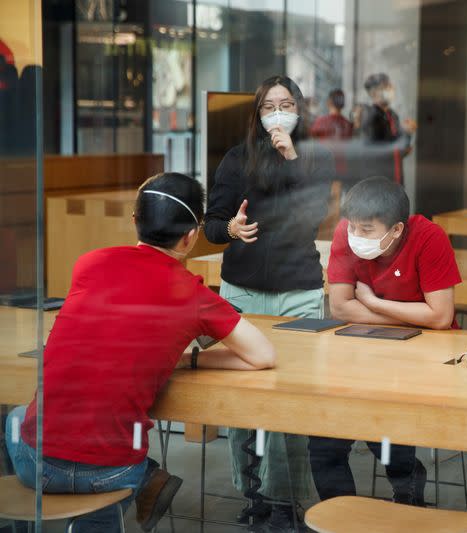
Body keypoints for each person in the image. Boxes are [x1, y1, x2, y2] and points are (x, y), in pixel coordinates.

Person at [4, 173, 276, 533]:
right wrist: (190, 358)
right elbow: (263, 355)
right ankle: (129, 494)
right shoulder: (193, 295)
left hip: (37, 462)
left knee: (16, 418)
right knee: (105, 468)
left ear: (135, 221)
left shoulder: (89, 264)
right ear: (192, 236)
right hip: (114, 469)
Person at [203, 75, 334, 531]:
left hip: (297, 290)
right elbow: (212, 224)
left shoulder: (316, 158)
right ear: (257, 115)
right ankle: (252, 490)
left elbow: (314, 212)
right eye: (269, 106)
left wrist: (291, 157)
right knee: (242, 399)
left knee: (290, 401)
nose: (278, 113)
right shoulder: (237, 159)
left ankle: (285, 499)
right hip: (243, 290)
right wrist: (231, 231)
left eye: (286, 104)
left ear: (300, 109)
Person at [307, 176, 462, 505]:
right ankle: (341, 518)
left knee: (387, 431)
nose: (355, 237)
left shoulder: (429, 237)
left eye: (366, 231)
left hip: (423, 355)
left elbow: (440, 318)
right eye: (352, 228)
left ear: (397, 230)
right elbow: (340, 307)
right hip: (359, 348)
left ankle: (407, 495)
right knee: (323, 444)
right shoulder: (345, 234)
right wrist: (411, 314)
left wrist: (373, 304)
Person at [359, 73, 417, 185]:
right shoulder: (370, 116)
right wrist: (404, 133)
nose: (391, 89)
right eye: (386, 86)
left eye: (390, 85)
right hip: (378, 183)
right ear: (374, 92)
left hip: (396, 180)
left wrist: (408, 135)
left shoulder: (393, 115)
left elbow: (400, 150)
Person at [310, 89, 354, 190]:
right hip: (343, 168)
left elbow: (311, 144)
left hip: (322, 169)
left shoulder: (320, 122)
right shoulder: (348, 124)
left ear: (329, 102)